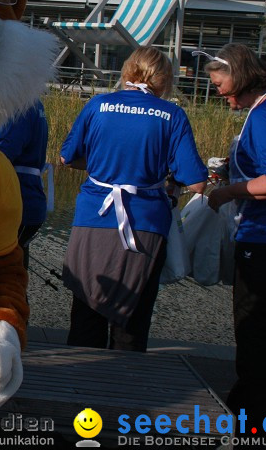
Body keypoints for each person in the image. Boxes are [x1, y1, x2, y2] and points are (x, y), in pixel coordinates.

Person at [60, 46, 207, 352]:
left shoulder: (98, 104)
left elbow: (67, 157)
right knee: (132, 318)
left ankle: (77, 386)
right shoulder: (172, 115)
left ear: (127, 71)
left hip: (93, 218)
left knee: (87, 310)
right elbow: (197, 183)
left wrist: (106, 166)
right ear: (164, 79)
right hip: (145, 222)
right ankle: (126, 387)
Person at [204, 43, 266, 426]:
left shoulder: (264, 116)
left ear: (240, 76)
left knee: (255, 328)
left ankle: (251, 418)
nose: (216, 89)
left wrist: (229, 192)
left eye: (219, 82)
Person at [0, 99, 49, 270]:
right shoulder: (33, 102)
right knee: (15, 275)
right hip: (29, 201)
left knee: (2, 277)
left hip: (17, 203)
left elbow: (2, 154)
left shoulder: (18, 106)